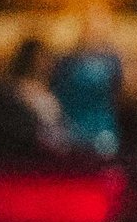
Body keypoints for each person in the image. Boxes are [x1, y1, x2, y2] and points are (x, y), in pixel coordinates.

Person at [49, 15, 124, 157]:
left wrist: (120, 49)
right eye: (90, 25)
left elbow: (134, 88)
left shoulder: (112, 60)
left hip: (102, 132)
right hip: (70, 130)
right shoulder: (67, 60)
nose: (95, 30)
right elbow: (54, 91)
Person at [7, 35, 66, 140]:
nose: (48, 63)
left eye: (48, 57)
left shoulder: (47, 89)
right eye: (42, 58)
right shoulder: (21, 90)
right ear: (30, 60)